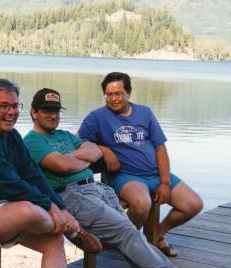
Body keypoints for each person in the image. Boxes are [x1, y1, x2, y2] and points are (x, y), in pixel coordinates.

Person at [24, 88, 217, 268]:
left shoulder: (64, 135)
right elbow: (63, 166)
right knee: (127, 234)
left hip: (97, 189)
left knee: (131, 234)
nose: (53, 115)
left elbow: (94, 151)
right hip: (72, 196)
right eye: (47, 111)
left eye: (56, 110)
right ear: (34, 112)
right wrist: (77, 159)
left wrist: (72, 157)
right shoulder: (32, 141)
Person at [0, 79, 100, 268]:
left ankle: (66, 227)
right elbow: (12, 186)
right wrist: (52, 208)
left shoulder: (11, 136)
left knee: (54, 241)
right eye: (4, 106)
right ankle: (73, 231)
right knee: (28, 210)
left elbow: (32, 174)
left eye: (15, 106)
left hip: (0, 208)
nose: (11, 112)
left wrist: (60, 206)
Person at [78, 72, 204, 257]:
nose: (113, 99)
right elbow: (79, 143)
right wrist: (104, 149)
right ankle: (128, 242)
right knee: (142, 203)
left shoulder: (145, 113)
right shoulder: (96, 117)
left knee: (194, 204)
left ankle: (158, 233)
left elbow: (160, 148)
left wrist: (164, 182)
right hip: (126, 177)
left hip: (155, 174)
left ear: (129, 93)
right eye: (109, 94)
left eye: (118, 93)